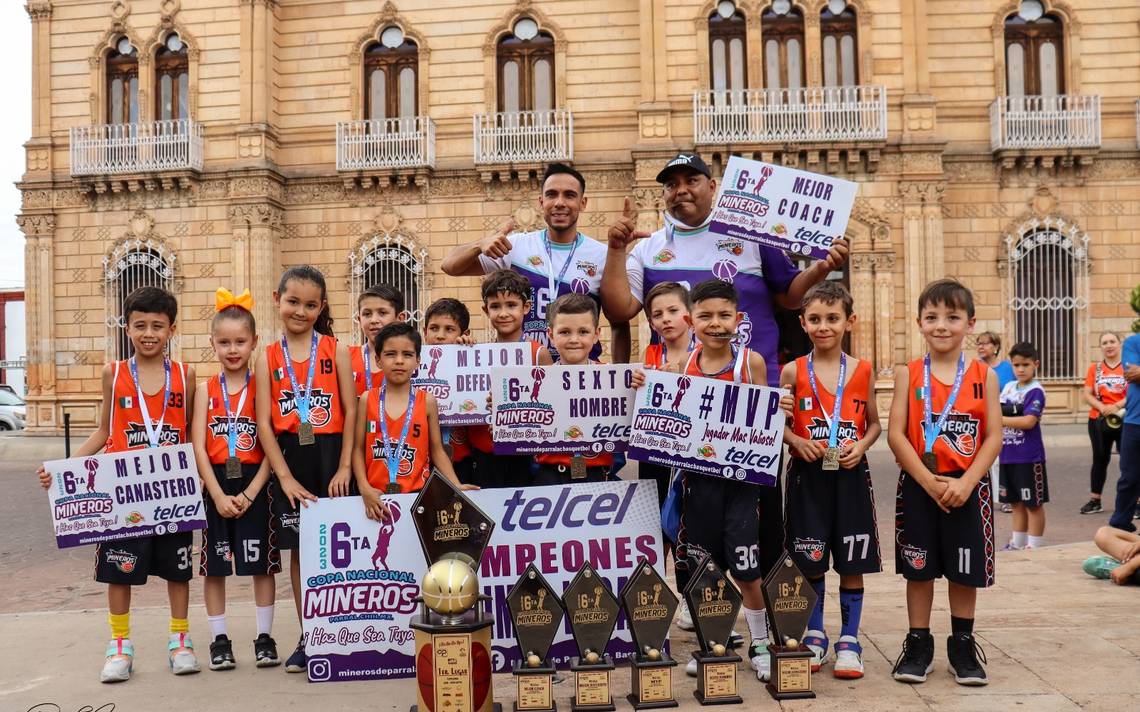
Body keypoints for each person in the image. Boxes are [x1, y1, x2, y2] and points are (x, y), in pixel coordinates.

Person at [601, 152, 849, 606]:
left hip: (750, 400)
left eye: (691, 179)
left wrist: (821, 267)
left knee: (760, 513)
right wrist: (616, 250)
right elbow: (620, 309)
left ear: (713, 185)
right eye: (671, 183)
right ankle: (707, 616)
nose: (682, 190)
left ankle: (773, 613)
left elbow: (791, 297)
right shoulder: (649, 247)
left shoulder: (753, 237)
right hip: (678, 406)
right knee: (685, 517)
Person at [38, 286, 199, 682]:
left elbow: (191, 436)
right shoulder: (114, 372)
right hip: (122, 495)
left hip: (170, 494)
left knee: (178, 572)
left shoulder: (185, 375)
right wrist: (64, 469)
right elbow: (103, 431)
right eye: (140, 325)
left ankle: (180, 641)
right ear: (126, 327)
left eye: (157, 326)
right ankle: (120, 645)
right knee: (118, 570)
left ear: (172, 329)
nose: (149, 333)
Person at [888, 279, 1001, 687]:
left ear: (969, 324)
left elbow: (993, 436)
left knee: (964, 570)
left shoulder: (983, 375)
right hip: (920, 485)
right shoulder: (908, 373)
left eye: (952, 317)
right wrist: (926, 480)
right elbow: (897, 434)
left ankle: (963, 644)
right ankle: (918, 643)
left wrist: (969, 482)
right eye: (932, 317)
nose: (942, 325)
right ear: (919, 322)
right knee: (918, 569)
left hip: (966, 488)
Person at [669, 279, 775, 681]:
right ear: (689, 320)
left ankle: (761, 642)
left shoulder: (751, 364)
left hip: (742, 485)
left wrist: (775, 408)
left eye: (724, 315)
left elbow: (763, 424)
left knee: (748, 569)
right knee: (702, 568)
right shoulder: (681, 367)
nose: (716, 323)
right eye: (706, 316)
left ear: (738, 320)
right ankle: (713, 640)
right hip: (698, 484)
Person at [255, 265, 356, 673]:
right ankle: (309, 634)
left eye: (310, 304)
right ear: (278, 300)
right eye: (293, 302)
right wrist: (284, 477)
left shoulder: (336, 350)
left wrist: (345, 466)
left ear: (322, 307)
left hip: (332, 458)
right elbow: (263, 423)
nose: (301, 311)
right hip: (291, 460)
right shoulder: (268, 357)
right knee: (301, 552)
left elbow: (351, 412)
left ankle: (344, 630)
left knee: (337, 550)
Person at [780, 281, 881, 679]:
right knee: (810, 559)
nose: (824, 326)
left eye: (833, 318)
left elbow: (873, 423)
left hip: (851, 474)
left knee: (852, 560)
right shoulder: (792, 370)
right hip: (807, 476)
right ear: (803, 323)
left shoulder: (863, 370)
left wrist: (864, 445)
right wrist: (794, 439)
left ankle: (850, 640)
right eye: (816, 319)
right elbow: (776, 425)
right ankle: (816, 633)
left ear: (849, 321)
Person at [441, 162, 629, 361]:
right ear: (541, 202)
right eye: (551, 194)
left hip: (580, 374)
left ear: (583, 203)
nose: (559, 202)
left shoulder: (601, 254)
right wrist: (480, 244)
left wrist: (621, 379)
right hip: (525, 371)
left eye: (569, 195)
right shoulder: (516, 246)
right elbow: (449, 266)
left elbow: (619, 323)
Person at [190, 289, 280, 671]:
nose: (232, 349)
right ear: (212, 343)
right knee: (214, 566)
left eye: (240, 341)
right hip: (216, 488)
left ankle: (264, 637)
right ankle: (219, 639)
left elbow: (271, 442)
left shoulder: (264, 386)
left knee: (261, 565)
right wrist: (216, 492)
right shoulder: (205, 391)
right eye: (224, 342)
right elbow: (197, 443)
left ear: (254, 342)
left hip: (254, 484)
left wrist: (252, 490)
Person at [352, 322, 469, 523]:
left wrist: (455, 484)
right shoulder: (366, 399)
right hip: (375, 498)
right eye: (390, 354)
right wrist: (364, 488)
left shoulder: (428, 401)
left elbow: (437, 450)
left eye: (407, 354)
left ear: (417, 361)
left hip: (418, 498)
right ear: (378, 360)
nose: (399, 361)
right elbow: (358, 450)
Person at [532, 293, 641, 485]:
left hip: (598, 475)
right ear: (551, 335)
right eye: (565, 332)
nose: (574, 339)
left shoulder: (613, 378)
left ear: (597, 334)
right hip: (549, 475)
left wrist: (640, 390)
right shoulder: (538, 380)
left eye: (583, 332)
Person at [466, 270, 553, 487]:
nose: (503, 313)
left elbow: (553, 406)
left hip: (525, 454)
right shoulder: (475, 353)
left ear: (526, 307)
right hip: (485, 453)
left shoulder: (538, 353)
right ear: (486, 310)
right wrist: (458, 349)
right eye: (495, 306)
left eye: (511, 305)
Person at [998, 342, 1049, 550]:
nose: (1020, 369)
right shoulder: (1009, 388)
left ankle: (1034, 545)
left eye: (1025, 365)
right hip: (1007, 455)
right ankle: (1017, 544)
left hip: (1029, 457)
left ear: (1035, 364)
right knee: (1015, 503)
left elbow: (1029, 421)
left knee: (1033, 504)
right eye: (1016, 365)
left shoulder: (1036, 391)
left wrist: (1000, 419)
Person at [421, 298, 475, 485]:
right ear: (424, 331)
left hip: (462, 460)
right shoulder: (411, 364)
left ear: (464, 333)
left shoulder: (472, 361)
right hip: (421, 463)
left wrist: (469, 351)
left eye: (449, 329)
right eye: (434, 328)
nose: (440, 336)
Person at [1080, 332, 1127, 515]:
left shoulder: (1129, 367)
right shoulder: (1095, 368)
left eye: (1112, 342)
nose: (1109, 345)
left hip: (1124, 418)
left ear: (1119, 344)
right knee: (1099, 459)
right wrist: (1102, 407)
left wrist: (1116, 406)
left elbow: (1133, 393)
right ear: (1100, 347)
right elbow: (1087, 393)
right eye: (1105, 343)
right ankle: (1095, 500)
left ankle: (1136, 501)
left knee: (1129, 461)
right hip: (1098, 420)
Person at [976, 331, 1014, 512]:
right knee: (984, 458)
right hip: (981, 418)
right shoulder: (974, 367)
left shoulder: (1008, 368)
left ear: (996, 347)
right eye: (979, 344)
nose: (981, 347)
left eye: (985, 343)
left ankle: (1005, 496)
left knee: (1003, 459)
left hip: (1004, 419)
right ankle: (984, 495)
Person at [1108, 331, 1140, 532]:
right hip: (1134, 422)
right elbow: (1131, 373)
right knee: (1129, 478)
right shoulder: (1133, 342)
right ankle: (1119, 527)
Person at [348, 284, 405, 397]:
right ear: (359, 319)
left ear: (400, 318)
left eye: (382, 313)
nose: (374, 320)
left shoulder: (411, 359)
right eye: (367, 314)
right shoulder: (346, 357)